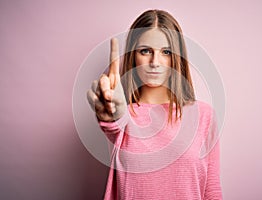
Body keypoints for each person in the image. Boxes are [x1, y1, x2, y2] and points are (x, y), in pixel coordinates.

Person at [87, 9, 223, 200]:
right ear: (133, 55)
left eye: (166, 52)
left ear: (177, 58)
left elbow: (211, 189)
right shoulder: (125, 116)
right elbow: (113, 124)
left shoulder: (204, 116)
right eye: (145, 51)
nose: (155, 62)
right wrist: (110, 113)